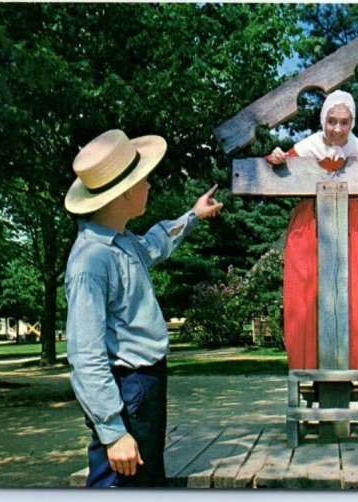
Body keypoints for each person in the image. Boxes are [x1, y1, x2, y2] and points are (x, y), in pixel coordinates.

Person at [64, 129, 223, 486]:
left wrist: (193, 215)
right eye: (143, 179)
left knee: (147, 480)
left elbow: (155, 244)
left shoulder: (121, 242)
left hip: (144, 383)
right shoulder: (91, 261)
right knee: (120, 482)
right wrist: (113, 431)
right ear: (124, 193)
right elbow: (85, 354)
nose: (149, 184)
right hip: (127, 387)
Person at [266, 90, 358, 371]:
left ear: (352, 123)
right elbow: (274, 173)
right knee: (307, 295)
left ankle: (357, 364)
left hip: (350, 226)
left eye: (344, 122)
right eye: (332, 121)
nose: (337, 128)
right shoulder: (306, 147)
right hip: (309, 225)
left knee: (355, 291)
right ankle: (308, 365)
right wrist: (275, 158)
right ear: (323, 120)